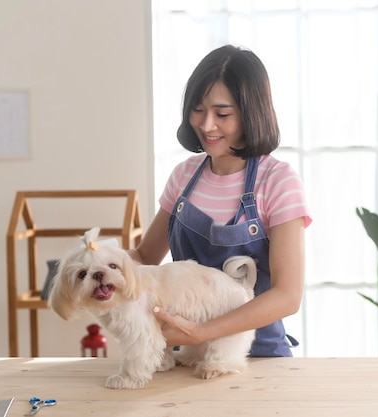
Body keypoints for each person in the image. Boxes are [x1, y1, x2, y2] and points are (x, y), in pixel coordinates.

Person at [128, 44, 312, 357]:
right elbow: (145, 257)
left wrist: (200, 332)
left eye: (222, 113)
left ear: (251, 114)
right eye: (198, 110)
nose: (206, 124)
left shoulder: (278, 181)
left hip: (259, 358)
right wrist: (101, 267)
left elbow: (287, 296)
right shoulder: (183, 177)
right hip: (187, 358)